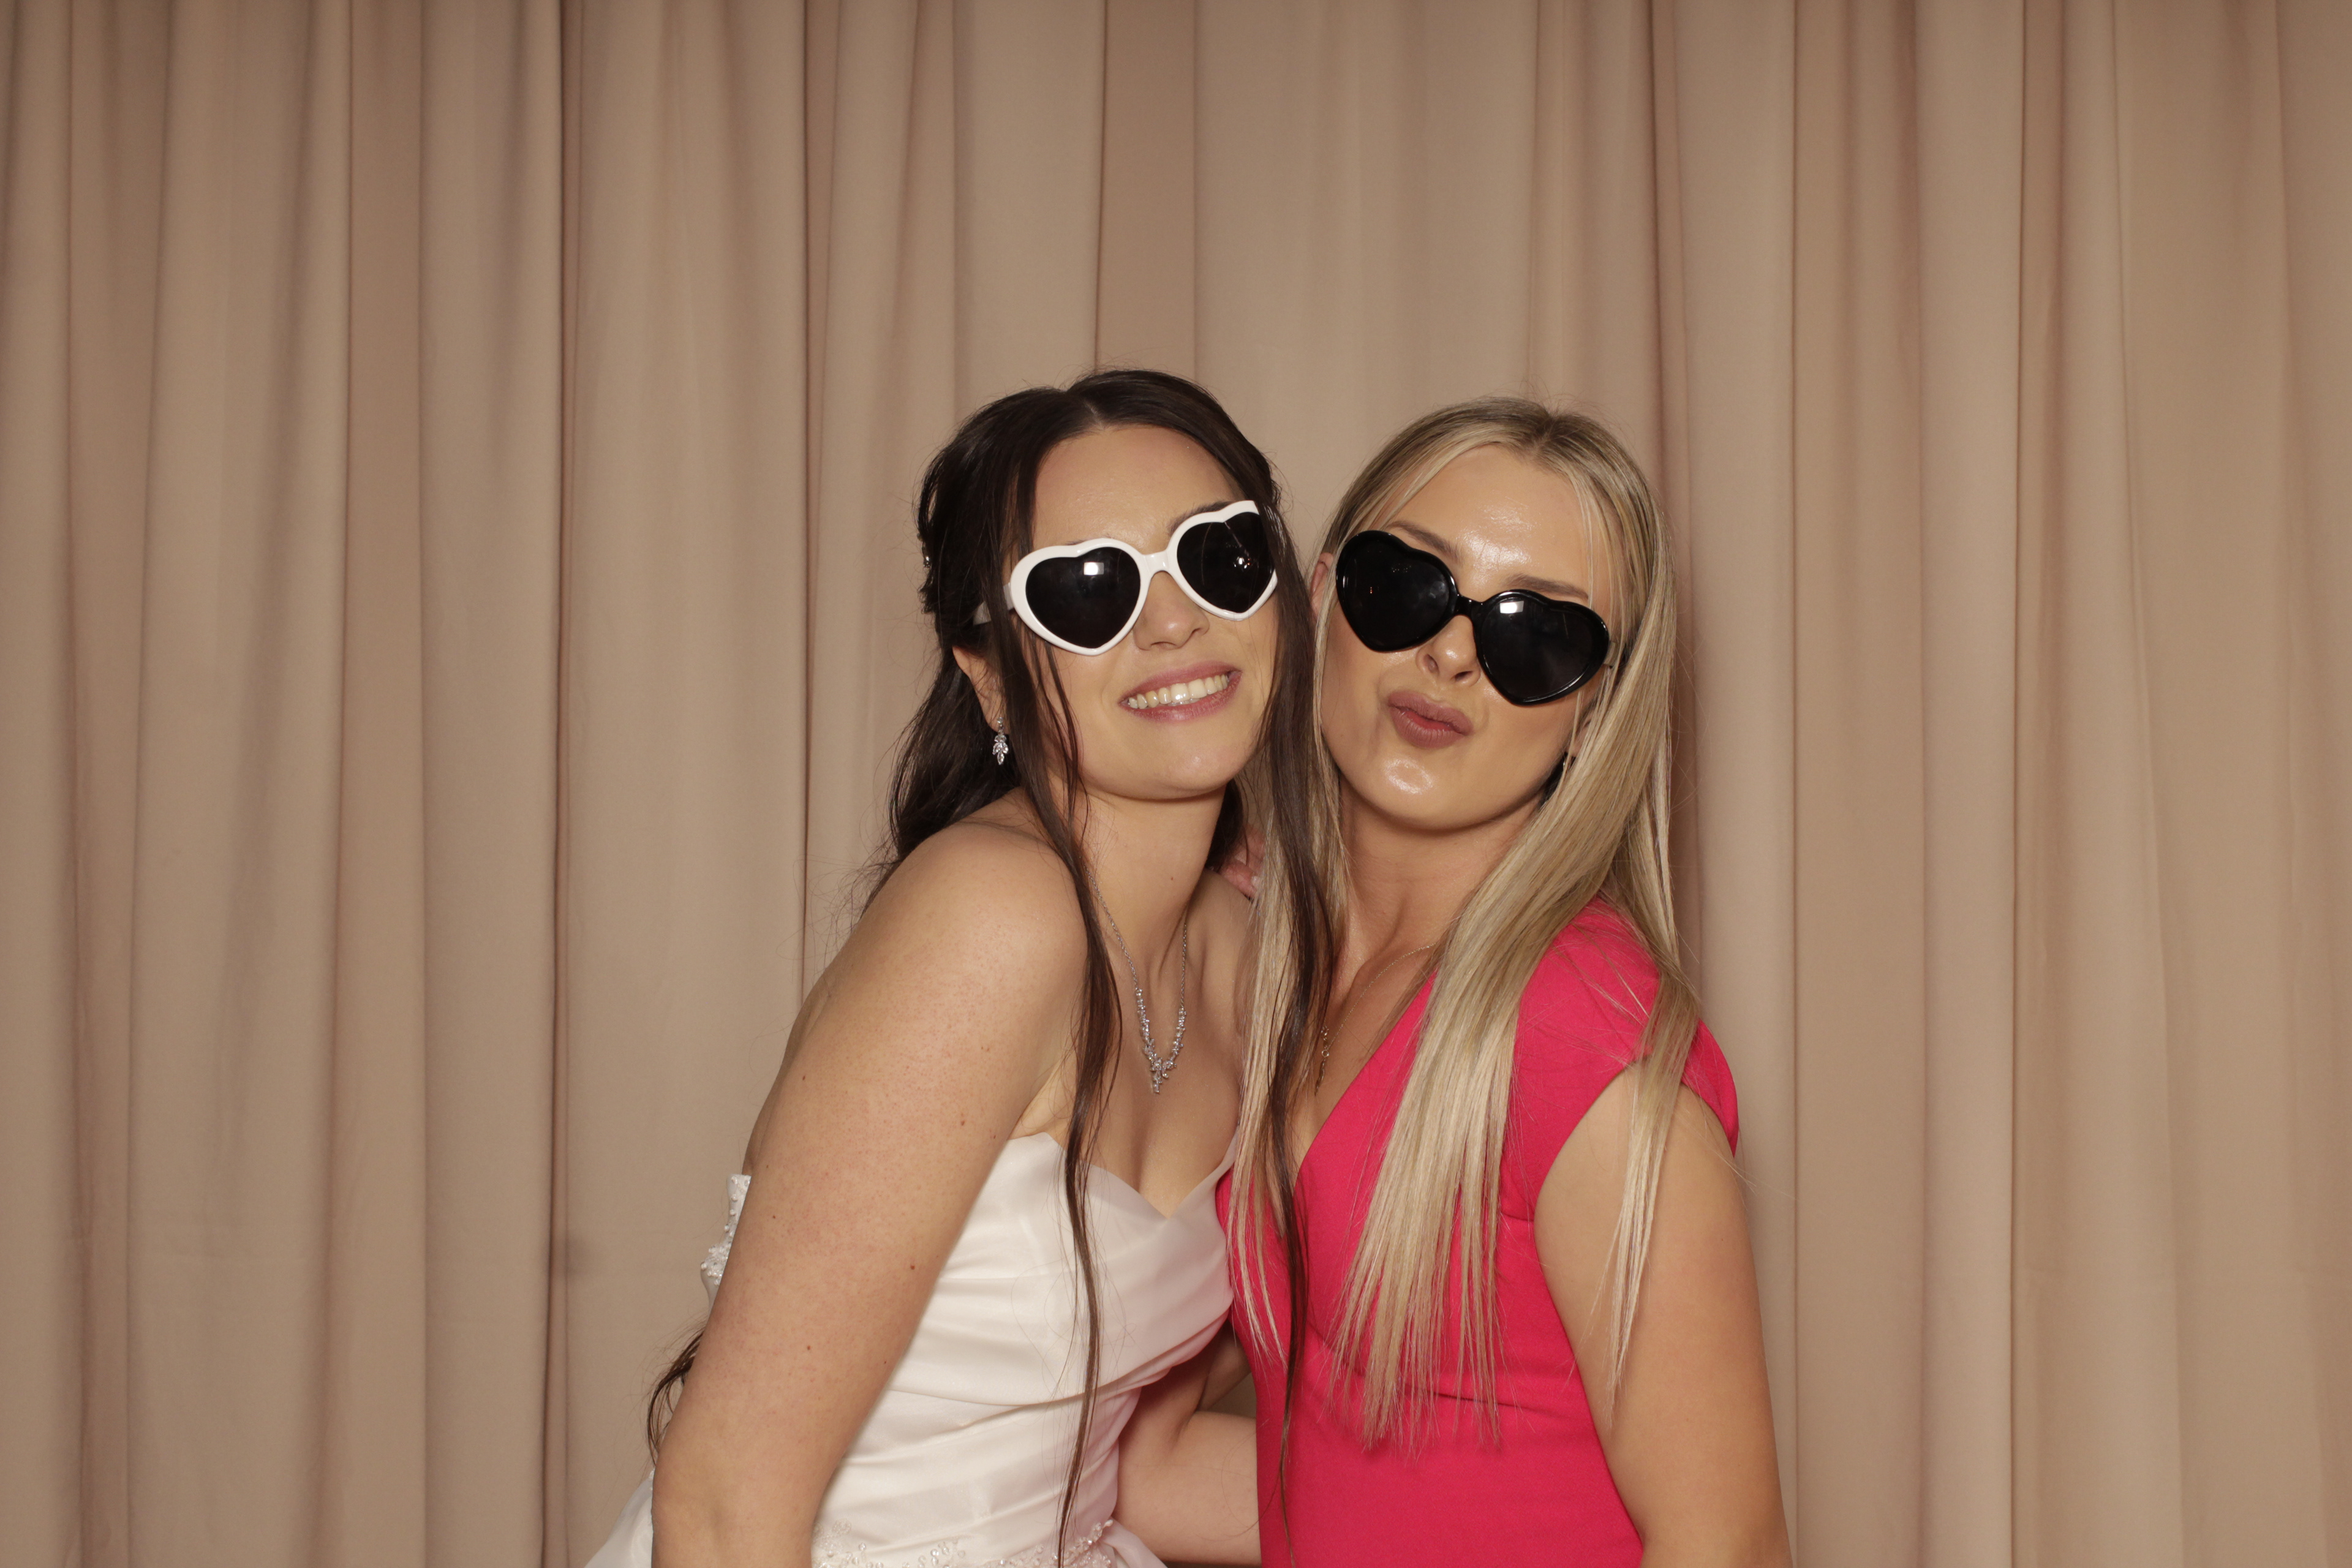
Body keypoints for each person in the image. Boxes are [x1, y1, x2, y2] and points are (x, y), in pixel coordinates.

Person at [585, 369, 1323, 1568]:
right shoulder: (995, 916)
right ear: (988, 672)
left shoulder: (1241, 957)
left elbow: (1148, 1473)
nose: (1173, 621)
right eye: (1087, 590)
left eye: (1217, 558)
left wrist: (1550, 1510)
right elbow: (724, 1502)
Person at [1201, 399, 1790, 1564]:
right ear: (1319, 599)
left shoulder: (1583, 1043)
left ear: (1594, 708)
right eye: (1405, 587)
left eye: (1536, 637)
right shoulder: (1271, 981)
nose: (1452, 653)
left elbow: (1727, 1546)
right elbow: (1284, 1478)